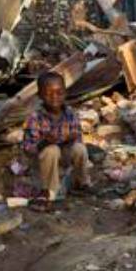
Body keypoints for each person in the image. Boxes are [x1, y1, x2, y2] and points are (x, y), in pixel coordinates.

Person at [22, 72, 92, 207]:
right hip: (42, 164)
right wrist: (44, 142)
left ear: (65, 93)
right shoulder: (35, 118)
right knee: (51, 150)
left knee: (79, 148)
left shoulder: (70, 114)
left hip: (63, 159)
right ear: (40, 96)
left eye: (59, 92)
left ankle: (82, 183)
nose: (55, 97)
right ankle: (50, 192)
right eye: (49, 94)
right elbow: (28, 150)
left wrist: (69, 140)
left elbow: (78, 138)